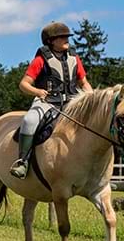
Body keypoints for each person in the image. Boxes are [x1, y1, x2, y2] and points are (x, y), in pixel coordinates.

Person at [9, 21, 93, 179]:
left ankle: (95, 174)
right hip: (47, 101)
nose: (66, 39)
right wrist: (37, 91)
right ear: (50, 41)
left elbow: (84, 82)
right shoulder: (40, 60)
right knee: (29, 121)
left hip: (72, 102)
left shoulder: (74, 58)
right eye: (61, 37)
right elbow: (23, 84)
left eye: (67, 36)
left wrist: (91, 97)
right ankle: (23, 162)